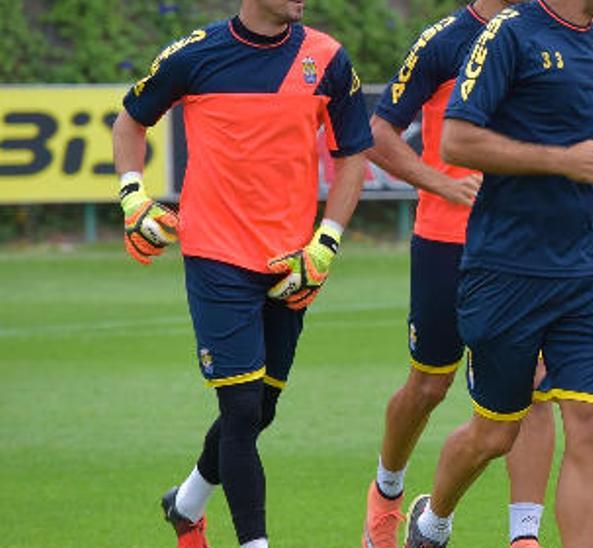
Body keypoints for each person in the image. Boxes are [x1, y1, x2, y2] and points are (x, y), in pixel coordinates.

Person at [399, 1, 593, 546]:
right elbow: (456, 140)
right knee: (495, 432)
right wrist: (560, 160)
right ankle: (432, 521)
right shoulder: (509, 34)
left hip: (589, 272)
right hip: (506, 270)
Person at [111, 0, 372, 546]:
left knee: (261, 409)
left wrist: (326, 244)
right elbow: (130, 122)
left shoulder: (327, 59)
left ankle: (185, 504)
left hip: (291, 263)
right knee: (240, 405)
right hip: (215, 255)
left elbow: (353, 156)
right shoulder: (195, 55)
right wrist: (134, 197)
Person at [359, 2, 548, 547]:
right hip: (446, 241)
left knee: (534, 388)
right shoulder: (444, 41)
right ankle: (387, 492)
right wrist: (439, 183)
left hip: (520, 247)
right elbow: (379, 133)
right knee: (428, 384)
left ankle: (524, 537)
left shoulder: (545, 33)